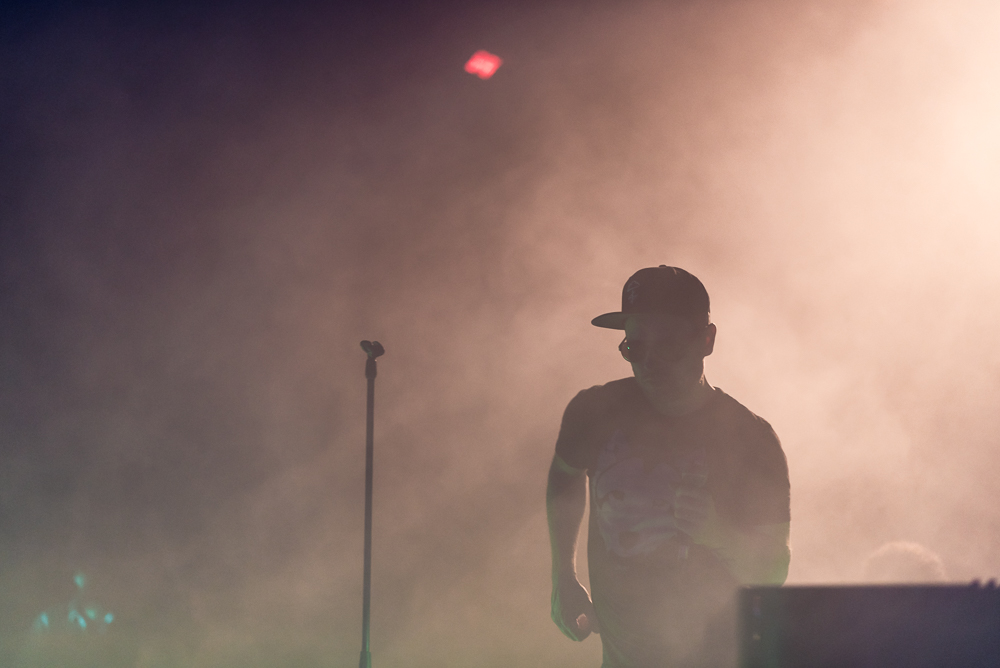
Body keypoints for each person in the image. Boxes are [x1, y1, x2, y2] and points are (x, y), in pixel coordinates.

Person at [547, 266, 791, 667]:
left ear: (706, 340)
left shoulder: (752, 440)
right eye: (635, 347)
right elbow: (565, 476)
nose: (649, 363)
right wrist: (563, 576)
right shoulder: (594, 412)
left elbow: (774, 570)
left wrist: (718, 534)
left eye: (667, 344)